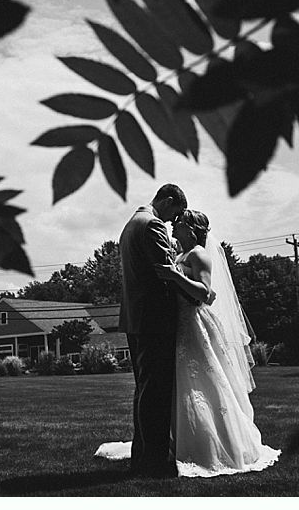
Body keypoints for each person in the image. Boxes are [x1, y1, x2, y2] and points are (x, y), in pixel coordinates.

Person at [97, 208, 280, 478]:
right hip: (177, 324)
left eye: (179, 222)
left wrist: (174, 276)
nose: (173, 225)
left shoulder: (198, 255)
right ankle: (175, 442)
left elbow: (204, 293)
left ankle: (210, 445)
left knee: (202, 386)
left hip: (194, 326)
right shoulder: (180, 254)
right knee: (178, 387)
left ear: (192, 229)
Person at [113, 183, 189, 478]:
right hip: (154, 319)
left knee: (144, 388)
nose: (173, 222)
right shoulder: (152, 224)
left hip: (136, 318)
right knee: (156, 391)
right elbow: (165, 272)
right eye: (176, 214)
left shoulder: (131, 223)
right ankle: (155, 460)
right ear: (168, 201)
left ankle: (142, 454)